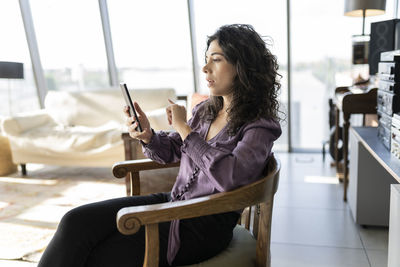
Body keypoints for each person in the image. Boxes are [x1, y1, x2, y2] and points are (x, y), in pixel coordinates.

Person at [38, 24, 282, 267]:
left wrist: (184, 128)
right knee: (76, 221)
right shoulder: (206, 111)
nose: (205, 68)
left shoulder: (260, 126)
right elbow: (173, 150)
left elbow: (231, 175)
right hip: (173, 202)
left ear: (242, 66)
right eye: (206, 59)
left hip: (201, 226)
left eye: (216, 60)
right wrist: (148, 135)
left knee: (97, 256)